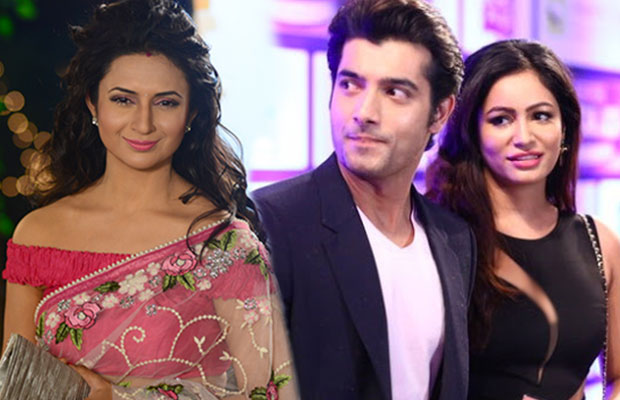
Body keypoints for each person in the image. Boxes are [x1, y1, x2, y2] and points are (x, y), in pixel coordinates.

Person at [2, 0, 297, 399]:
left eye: (166, 102)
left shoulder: (223, 246)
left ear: (191, 113)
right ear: (92, 102)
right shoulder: (39, 234)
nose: (143, 123)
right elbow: (15, 389)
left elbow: (272, 393)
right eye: (123, 100)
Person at [252, 0, 475, 399]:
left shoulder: (455, 240)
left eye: (394, 91)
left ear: (440, 113)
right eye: (350, 84)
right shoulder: (266, 225)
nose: (364, 112)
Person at [426, 39, 620, 399]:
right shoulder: (436, 238)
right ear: (472, 131)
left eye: (541, 116)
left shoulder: (599, 244)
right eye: (501, 120)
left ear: (564, 128)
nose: (524, 138)